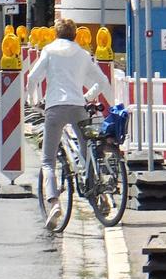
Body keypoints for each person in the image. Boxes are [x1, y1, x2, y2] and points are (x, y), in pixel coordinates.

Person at [27, 18, 112, 228]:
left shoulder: (49, 50)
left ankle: (54, 202)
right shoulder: (83, 54)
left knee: (48, 161)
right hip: (77, 108)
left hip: (55, 107)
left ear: (56, 34)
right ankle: (99, 193)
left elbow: (32, 77)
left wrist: (33, 101)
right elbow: (102, 81)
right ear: (75, 35)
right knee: (87, 151)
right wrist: (87, 97)